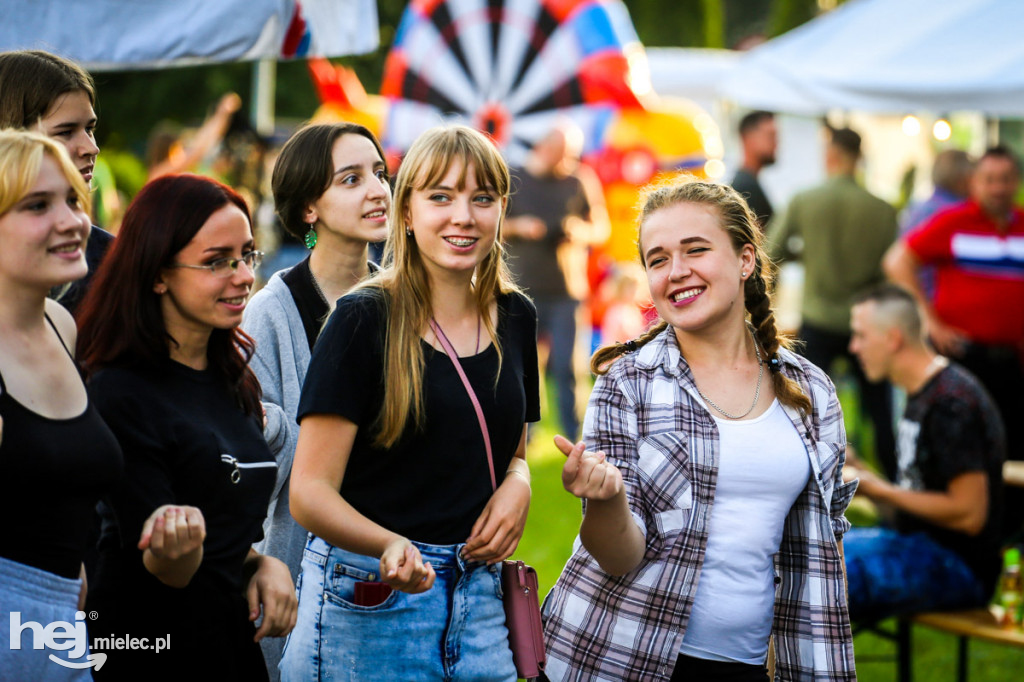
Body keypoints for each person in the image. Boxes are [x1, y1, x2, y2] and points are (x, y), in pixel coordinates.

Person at [542, 179, 857, 681]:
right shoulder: (628, 383)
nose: (677, 272)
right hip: (623, 655)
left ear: (746, 259)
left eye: (696, 250)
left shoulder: (811, 392)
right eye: (658, 259)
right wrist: (605, 500)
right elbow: (619, 557)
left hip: (746, 664)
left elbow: (823, 549)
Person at [281, 125, 539, 681]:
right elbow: (308, 492)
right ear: (407, 212)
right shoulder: (361, 318)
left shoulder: (516, 316)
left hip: (480, 601)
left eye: (482, 198)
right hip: (372, 598)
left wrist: (520, 484)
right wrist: (388, 543)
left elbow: (515, 451)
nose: (463, 217)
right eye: (440, 197)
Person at [76, 174, 296, 680]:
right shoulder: (119, 393)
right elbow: (161, 564)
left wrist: (261, 564)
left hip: (230, 645)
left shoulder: (232, 379)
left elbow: (224, 531)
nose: (242, 275)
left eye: (246, 255)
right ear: (157, 273)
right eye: (217, 261)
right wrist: (180, 549)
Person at [240, 121, 390, 680]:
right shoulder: (271, 314)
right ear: (309, 209)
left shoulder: (401, 301)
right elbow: (253, 459)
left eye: (380, 173)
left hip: (397, 570)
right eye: (351, 179)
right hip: (302, 574)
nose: (377, 190)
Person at [0, 130, 123, 679]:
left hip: (60, 627)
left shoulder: (60, 324)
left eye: (72, 199)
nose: (71, 220)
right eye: (36, 205)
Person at [884, 145, 1024, 539]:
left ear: (1015, 183)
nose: (998, 188)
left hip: (1011, 362)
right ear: (974, 183)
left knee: (1010, 451)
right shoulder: (954, 222)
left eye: (1005, 179)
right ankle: (951, 531)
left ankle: (1002, 539)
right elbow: (897, 261)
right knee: (961, 450)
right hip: (964, 357)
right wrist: (930, 318)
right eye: (989, 179)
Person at [843, 284, 1005, 621]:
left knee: (811, 578)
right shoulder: (921, 394)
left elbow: (969, 514)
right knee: (798, 551)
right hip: (915, 545)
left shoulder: (951, 403)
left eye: (860, 336)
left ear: (893, 338)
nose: (853, 347)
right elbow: (910, 505)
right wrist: (856, 468)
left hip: (957, 566)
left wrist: (875, 487)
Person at [768, 125, 899, 480]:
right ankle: (898, 497)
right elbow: (890, 273)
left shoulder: (805, 199)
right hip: (867, 324)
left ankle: (808, 485)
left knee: (807, 413)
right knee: (881, 414)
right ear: (858, 157)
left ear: (832, 155)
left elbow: (769, 255)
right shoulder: (883, 210)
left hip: (818, 318)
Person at [504, 122, 610, 440]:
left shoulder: (579, 180)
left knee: (567, 367)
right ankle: (524, 437)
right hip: (522, 288)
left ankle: (574, 436)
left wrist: (580, 231)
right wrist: (518, 227)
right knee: (522, 367)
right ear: (544, 147)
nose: (567, 162)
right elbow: (491, 223)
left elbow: (600, 227)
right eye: (562, 154)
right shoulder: (514, 177)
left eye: (572, 155)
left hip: (568, 290)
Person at [0, 49, 115, 314]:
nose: (91, 147)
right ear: (12, 136)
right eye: (65, 132)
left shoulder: (114, 261)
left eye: (90, 129)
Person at [899, 149, 973, 300]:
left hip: (915, 298)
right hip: (937, 301)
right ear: (962, 179)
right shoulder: (955, 214)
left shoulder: (917, 208)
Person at [730, 110, 777, 229]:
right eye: (770, 136)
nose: (776, 144)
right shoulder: (745, 187)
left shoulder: (749, 182)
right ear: (746, 137)